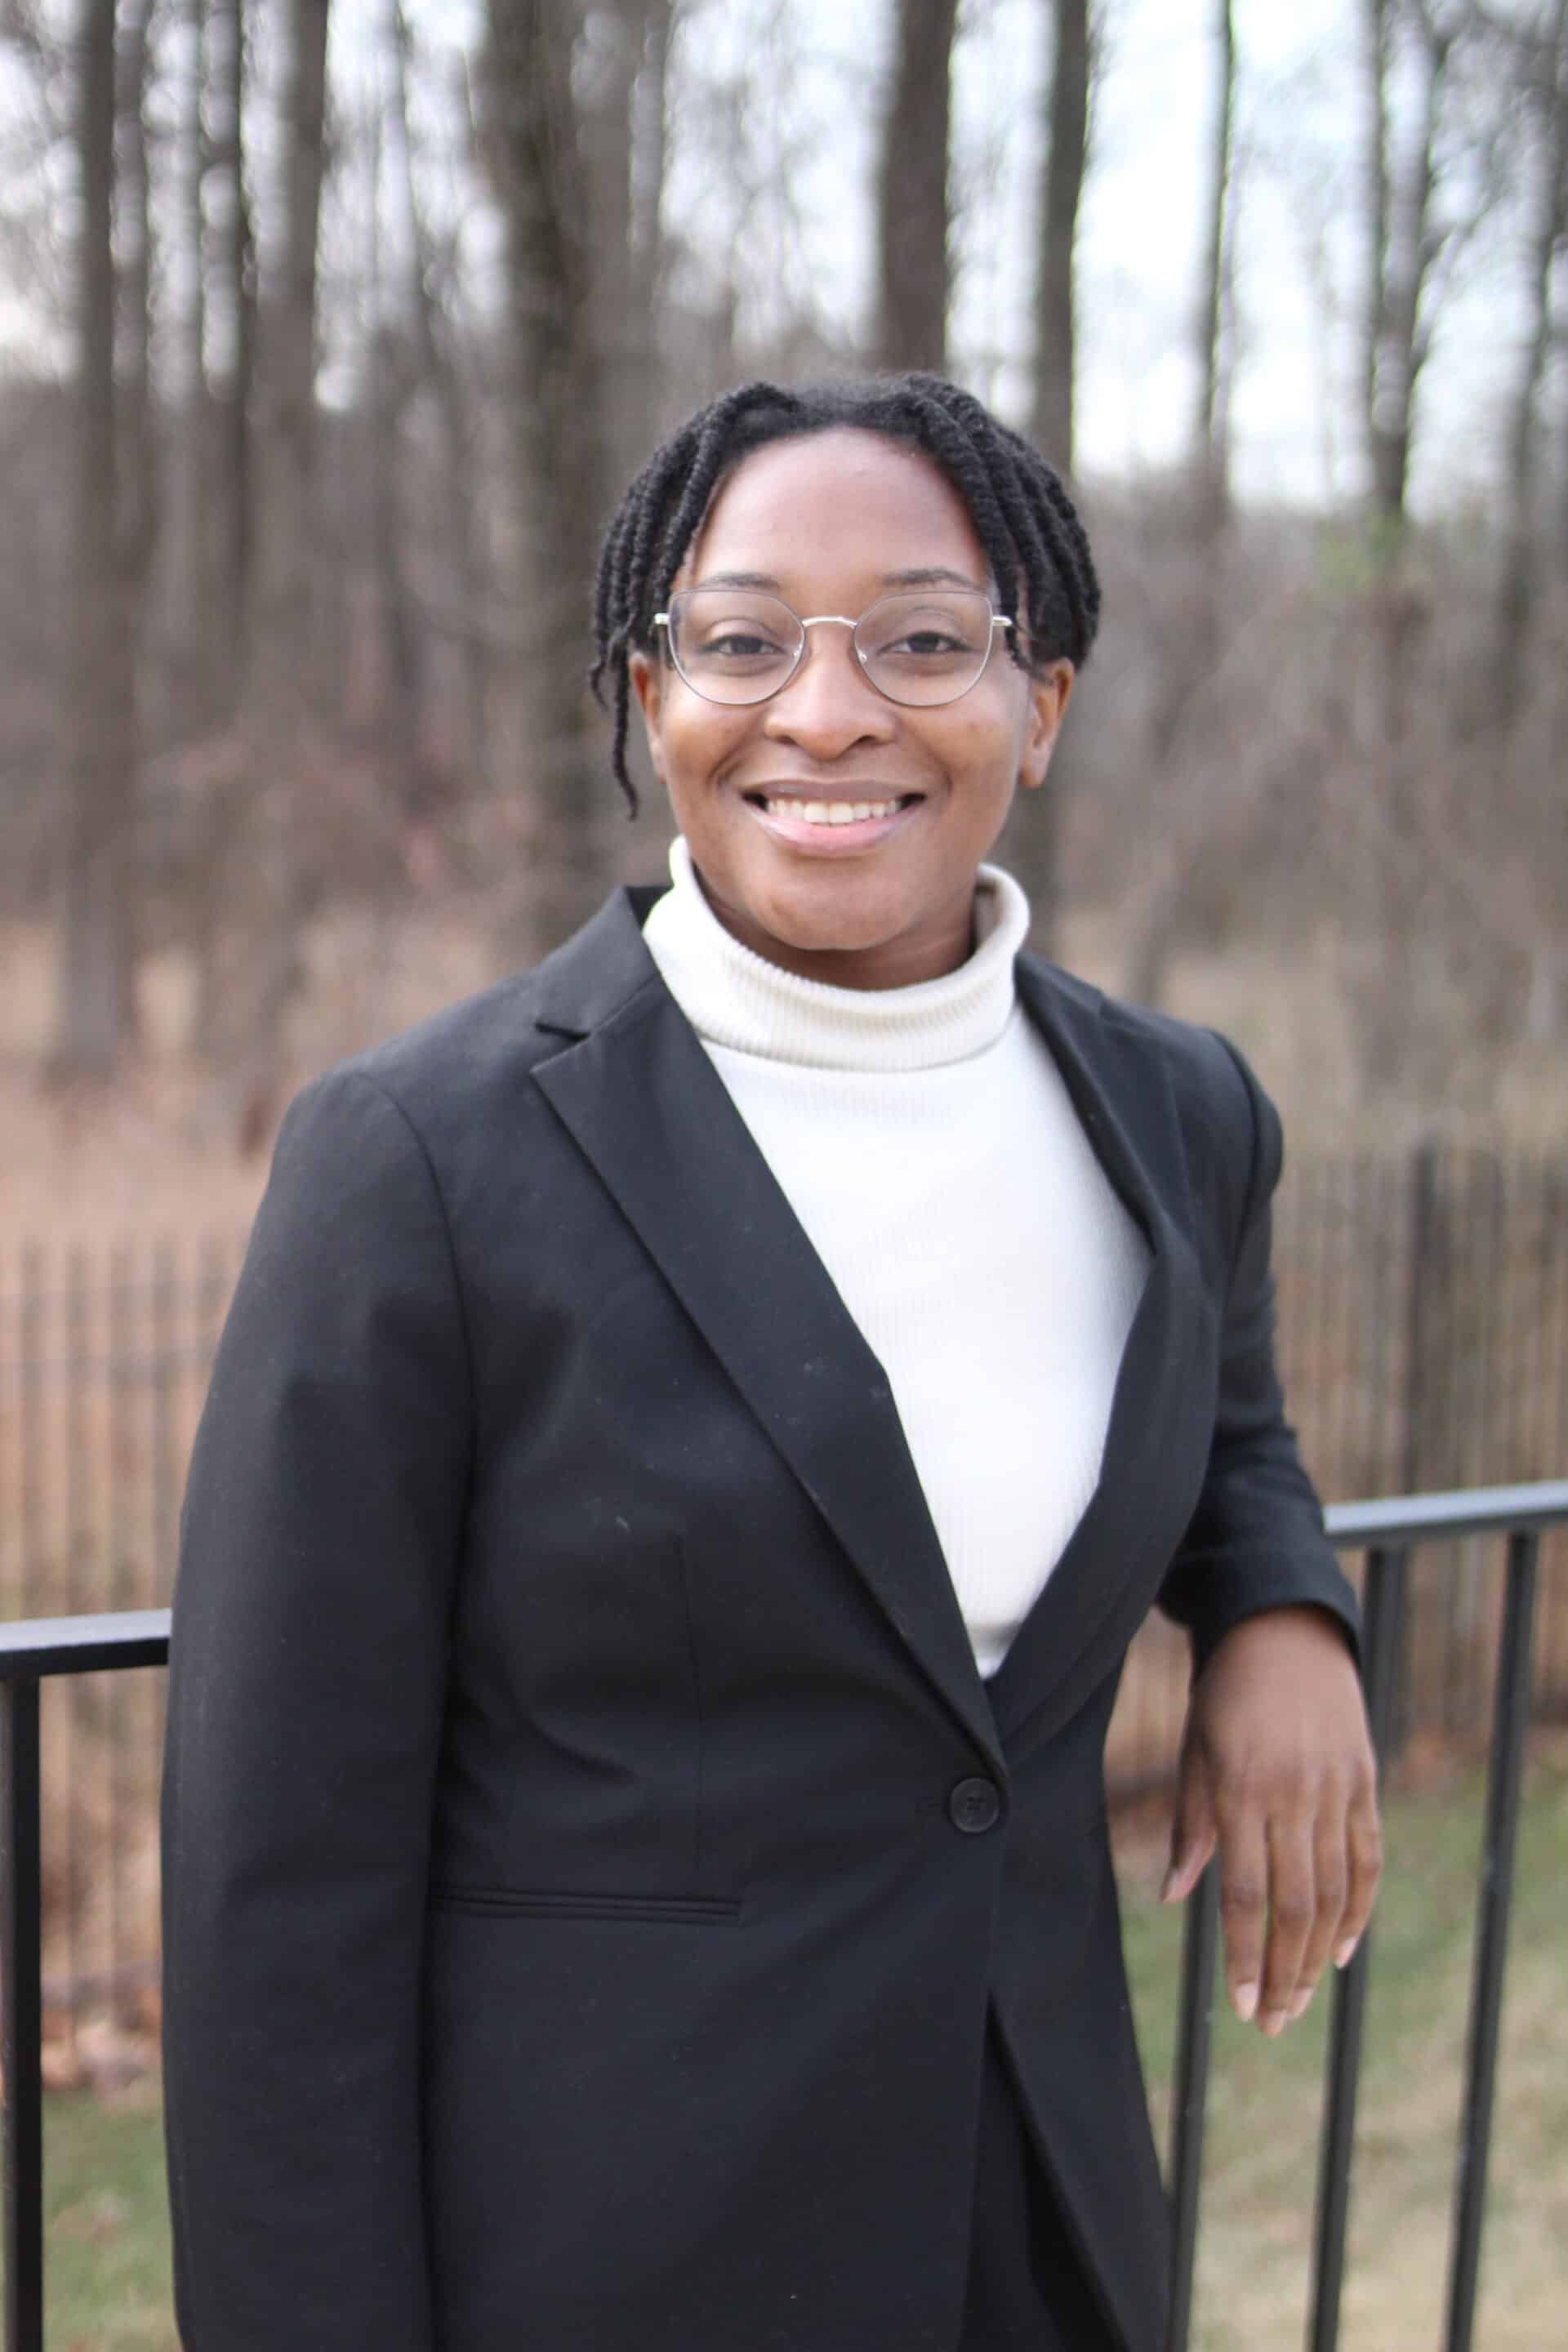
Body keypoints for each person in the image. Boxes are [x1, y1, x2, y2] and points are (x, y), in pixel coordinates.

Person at [162, 373, 1382, 2352]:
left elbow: (1224, 1425)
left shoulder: (1179, 1120)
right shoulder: (425, 1160)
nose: (826, 713)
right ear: (653, 705)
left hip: (1043, 2240)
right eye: (741, 642)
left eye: (921, 638)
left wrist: (1285, 1614)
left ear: (1041, 703)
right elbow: (276, 1904)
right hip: (603, 2266)